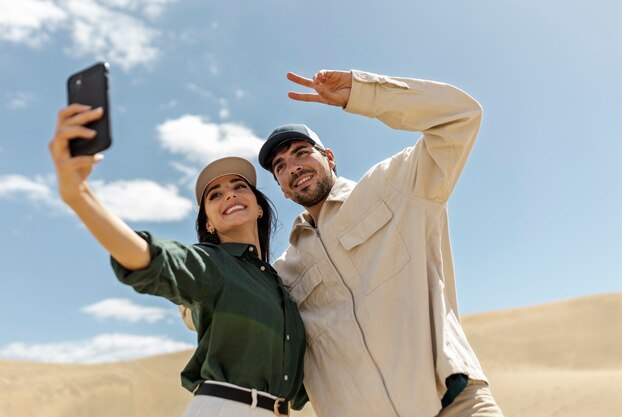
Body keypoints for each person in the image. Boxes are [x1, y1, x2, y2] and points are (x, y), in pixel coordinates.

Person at [257, 70, 505, 417]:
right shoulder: (284, 272)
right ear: (282, 188)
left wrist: (363, 94)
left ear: (328, 157)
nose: (293, 167)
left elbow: (460, 116)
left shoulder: (397, 187)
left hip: (455, 404)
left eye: (301, 153)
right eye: (280, 167)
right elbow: (224, 303)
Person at [48, 104, 307, 417]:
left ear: (259, 206)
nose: (229, 195)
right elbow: (152, 258)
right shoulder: (211, 264)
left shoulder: (277, 281)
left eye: (239, 187)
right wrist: (78, 194)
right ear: (209, 223)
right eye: (215, 195)